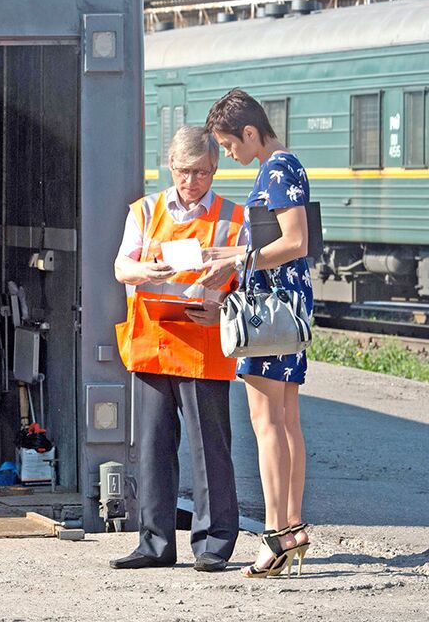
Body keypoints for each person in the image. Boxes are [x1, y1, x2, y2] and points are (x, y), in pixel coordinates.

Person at [111, 125, 247, 573]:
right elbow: (120, 266)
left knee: (211, 450)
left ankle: (213, 545)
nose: (193, 183)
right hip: (153, 342)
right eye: (186, 172)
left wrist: (223, 305)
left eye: (204, 173)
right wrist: (147, 269)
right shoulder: (145, 211)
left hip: (205, 347)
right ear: (170, 166)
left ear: (215, 168)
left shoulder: (234, 217)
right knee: (152, 448)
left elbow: (249, 287)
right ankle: (154, 544)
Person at [200, 88, 313, 578]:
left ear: (250, 133)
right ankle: (291, 529)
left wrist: (236, 257)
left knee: (267, 423)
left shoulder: (278, 169)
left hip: (268, 315)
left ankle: (274, 536)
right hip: (286, 308)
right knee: (286, 421)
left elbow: (296, 241)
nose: (229, 155)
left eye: (229, 145)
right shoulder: (288, 165)